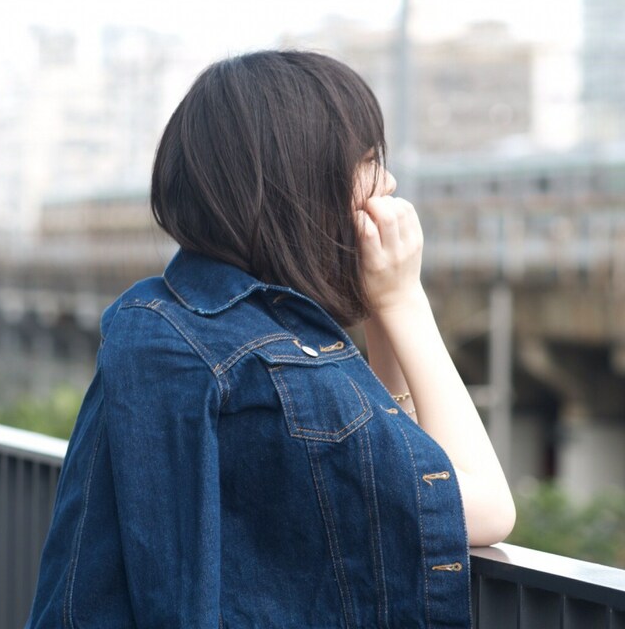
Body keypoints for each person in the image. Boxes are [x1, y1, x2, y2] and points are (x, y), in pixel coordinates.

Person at [26, 50, 515, 629]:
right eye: (367, 161)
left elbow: (393, 455)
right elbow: (486, 507)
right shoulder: (270, 362)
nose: (388, 183)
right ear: (303, 180)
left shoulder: (174, 322)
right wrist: (404, 300)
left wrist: (378, 310)